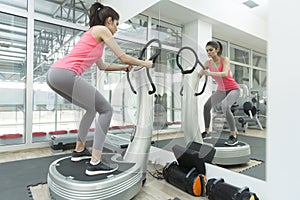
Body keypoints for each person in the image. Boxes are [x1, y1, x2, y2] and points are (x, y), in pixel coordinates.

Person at [46, 2, 153, 175]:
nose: (116, 29)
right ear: (109, 21)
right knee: (106, 110)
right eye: (116, 24)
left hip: (54, 75)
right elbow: (124, 57)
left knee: (90, 108)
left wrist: (122, 68)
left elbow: (102, 66)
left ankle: (79, 150)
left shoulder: (93, 37)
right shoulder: (101, 29)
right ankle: (95, 162)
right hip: (65, 73)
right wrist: (146, 63)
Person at [199, 41, 240, 146]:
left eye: (211, 50)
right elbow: (200, 73)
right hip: (221, 90)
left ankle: (233, 135)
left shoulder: (224, 59)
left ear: (217, 50)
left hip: (233, 89)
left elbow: (225, 73)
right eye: (207, 50)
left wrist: (210, 73)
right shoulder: (208, 63)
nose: (208, 52)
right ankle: (207, 132)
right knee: (206, 106)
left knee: (225, 106)